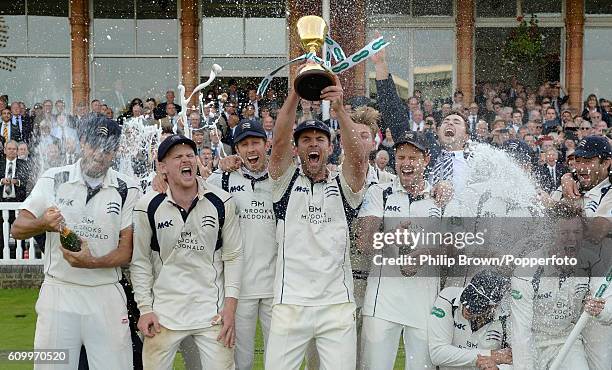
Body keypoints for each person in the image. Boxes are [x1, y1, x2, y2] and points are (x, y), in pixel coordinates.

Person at [11, 116, 139, 369]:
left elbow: (127, 252)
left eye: (107, 148)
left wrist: (92, 262)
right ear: (82, 143)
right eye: (94, 145)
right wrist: (43, 224)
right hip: (59, 291)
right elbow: (17, 229)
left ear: (115, 151)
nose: (99, 154)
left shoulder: (127, 187)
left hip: (106, 292)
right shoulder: (53, 178)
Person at [265, 70, 367, 369]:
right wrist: (297, 91)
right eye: (306, 140)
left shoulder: (343, 185)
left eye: (320, 139)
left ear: (330, 148)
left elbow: (359, 159)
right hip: (290, 304)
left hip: (335, 306)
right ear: (298, 150)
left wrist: (339, 110)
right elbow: (280, 139)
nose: (313, 144)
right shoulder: (284, 181)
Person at [131, 134, 243, 369]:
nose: (186, 161)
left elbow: (233, 257)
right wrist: (145, 309)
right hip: (164, 316)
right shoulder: (147, 206)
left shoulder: (221, 202)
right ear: (162, 167)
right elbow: (140, 262)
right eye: (178, 157)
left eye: (190, 156)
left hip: (212, 314)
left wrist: (230, 310)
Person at [355, 132, 441, 369]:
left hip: (425, 305)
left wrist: (427, 253)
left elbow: (456, 248)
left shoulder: (440, 198)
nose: (406, 163)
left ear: (427, 159)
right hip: (382, 303)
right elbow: (363, 241)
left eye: (413, 157)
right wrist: (391, 239)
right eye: (401, 157)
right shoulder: (379, 192)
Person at [207, 120, 276, 370]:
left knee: (278, 361)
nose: (251, 149)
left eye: (255, 142)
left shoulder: (281, 177)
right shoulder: (222, 179)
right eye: (244, 144)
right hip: (239, 288)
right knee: (241, 361)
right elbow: (191, 188)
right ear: (236, 149)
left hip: (276, 287)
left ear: (266, 144)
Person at [511, 207, 611, 370]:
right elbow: (521, 333)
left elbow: (608, 310)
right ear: (551, 234)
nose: (572, 238)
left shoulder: (593, 263)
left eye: (577, 232)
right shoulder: (527, 269)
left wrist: (600, 310)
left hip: (568, 341)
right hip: (534, 342)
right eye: (564, 233)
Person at [429, 270, 512, 370]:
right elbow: (437, 354)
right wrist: (490, 355)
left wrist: (499, 369)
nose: (467, 308)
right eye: (467, 298)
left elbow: (519, 361)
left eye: (476, 306)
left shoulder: (508, 318)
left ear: (493, 306)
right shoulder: (448, 297)